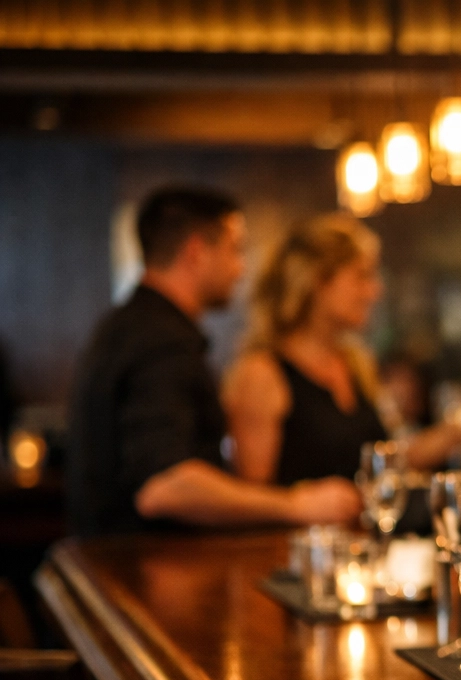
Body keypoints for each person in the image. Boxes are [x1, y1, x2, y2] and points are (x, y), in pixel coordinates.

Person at [67, 188, 360, 536]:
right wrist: (296, 505)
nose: (241, 269)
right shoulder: (161, 340)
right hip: (141, 567)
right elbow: (163, 487)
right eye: (235, 250)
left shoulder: (128, 325)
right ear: (195, 252)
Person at [222, 213, 461, 485]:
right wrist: (304, 505)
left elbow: (384, 462)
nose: (375, 290)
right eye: (362, 276)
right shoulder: (262, 373)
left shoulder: (354, 362)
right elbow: (253, 496)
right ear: (317, 282)